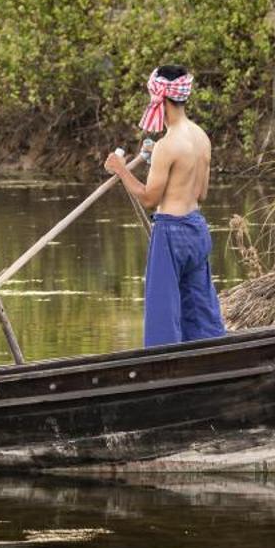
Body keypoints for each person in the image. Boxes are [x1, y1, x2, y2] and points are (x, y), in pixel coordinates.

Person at [103, 65, 226, 348]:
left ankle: (163, 369)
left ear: (159, 98)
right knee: (201, 312)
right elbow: (201, 192)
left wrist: (121, 170)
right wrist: (150, 159)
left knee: (163, 313)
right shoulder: (200, 137)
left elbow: (148, 198)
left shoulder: (167, 145)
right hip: (197, 230)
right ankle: (212, 358)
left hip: (171, 233)